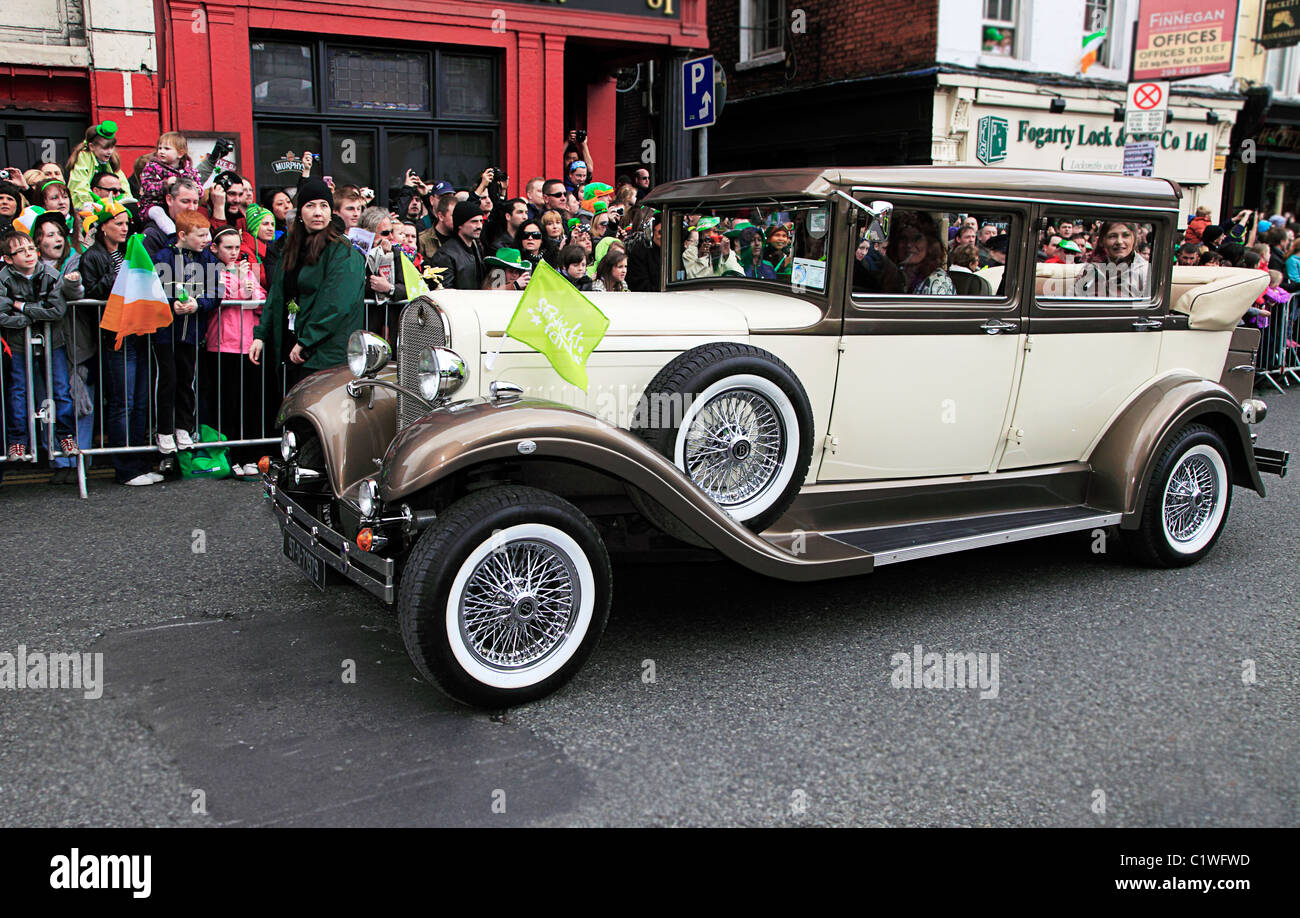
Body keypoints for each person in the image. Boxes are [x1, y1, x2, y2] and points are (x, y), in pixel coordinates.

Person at [250, 178, 366, 391]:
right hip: (294, 347)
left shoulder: (344, 252)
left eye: (323, 206)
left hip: (325, 355)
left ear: (331, 211)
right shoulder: (291, 247)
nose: (318, 212)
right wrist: (261, 335)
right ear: (300, 212)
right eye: (310, 205)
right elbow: (277, 294)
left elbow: (335, 303)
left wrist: (306, 340)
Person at [81, 202, 157, 484]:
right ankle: (125, 468)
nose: (125, 228)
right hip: (115, 337)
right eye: (118, 223)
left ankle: (138, 462)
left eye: (127, 223)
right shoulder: (93, 256)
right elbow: (91, 294)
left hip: (137, 333)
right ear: (103, 227)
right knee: (122, 403)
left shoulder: (128, 251)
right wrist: (119, 273)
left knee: (139, 402)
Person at [0, 228, 73, 463]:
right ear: (9, 259)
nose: (29, 254)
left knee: (60, 389)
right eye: (20, 251)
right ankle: (18, 442)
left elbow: (57, 311)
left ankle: (66, 436)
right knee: (18, 392)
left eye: (31, 248)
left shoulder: (51, 274)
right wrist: (26, 320)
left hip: (54, 341)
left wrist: (22, 308)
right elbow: (1, 314)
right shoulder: (3, 278)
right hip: (18, 344)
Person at [150, 209, 216, 454]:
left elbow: (216, 292)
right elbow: (153, 291)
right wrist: (170, 305)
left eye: (207, 233)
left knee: (187, 380)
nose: (206, 239)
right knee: (167, 380)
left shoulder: (207, 259)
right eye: (200, 235)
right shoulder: (163, 256)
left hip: (192, 332)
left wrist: (199, 304)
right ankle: (164, 430)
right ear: (182, 235)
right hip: (165, 333)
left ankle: (183, 427)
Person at [203, 225, 265, 476]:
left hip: (246, 343)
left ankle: (248, 456)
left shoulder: (247, 271)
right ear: (215, 248)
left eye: (237, 248)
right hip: (222, 344)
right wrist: (242, 288)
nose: (234, 252)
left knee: (248, 402)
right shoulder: (213, 270)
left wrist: (246, 291)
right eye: (228, 248)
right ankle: (230, 457)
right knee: (227, 403)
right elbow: (219, 296)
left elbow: (261, 298)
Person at [139, 132, 201, 236]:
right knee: (157, 212)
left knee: (195, 215)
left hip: (179, 208)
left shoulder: (189, 171)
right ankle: (172, 234)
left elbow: (199, 187)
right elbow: (146, 187)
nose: (161, 151)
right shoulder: (152, 167)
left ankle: (205, 237)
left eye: (167, 149)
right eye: (160, 148)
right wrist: (165, 184)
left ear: (180, 153)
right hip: (154, 204)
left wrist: (198, 190)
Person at [65, 121, 131, 211]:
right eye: (105, 148)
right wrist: (88, 203)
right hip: (81, 207)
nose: (110, 152)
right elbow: (80, 183)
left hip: (106, 205)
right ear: (91, 146)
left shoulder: (112, 159)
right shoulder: (83, 157)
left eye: (112, 147)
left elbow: (122, 182)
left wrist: (128, 202)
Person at [1074, 221, 1149, 298]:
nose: (1119, 241)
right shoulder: (1091, 268)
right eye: (1113, 236)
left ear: (1134, 239)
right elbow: (1073, 299)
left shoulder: (1145, 273)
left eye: (1126, 236)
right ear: (1102, 241)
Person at [887, 212, 954, 295]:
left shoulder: (937, 282)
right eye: (903, 238)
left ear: (929, 244)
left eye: (916, 239)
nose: (909, 245)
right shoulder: (896, 275)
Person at [429, 199, 486, 291]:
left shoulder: (476, 247)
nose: (479, 226)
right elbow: (444, 291)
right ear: (460, 224)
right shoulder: (445, 255)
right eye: (474, 221)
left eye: (480, 221)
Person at [143, 177, 201, 256]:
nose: (191, 207)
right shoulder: (153, 235)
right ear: (169, 200)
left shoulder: (201, 232)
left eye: (195, 202)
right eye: (185, 201)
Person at [625, 213, 661, 292]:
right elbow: (639, 285)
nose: (664, 236)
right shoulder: (639, 251)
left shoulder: (674, 251)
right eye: (661, 232)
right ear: (651, 232)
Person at [417, 192, 457, 262]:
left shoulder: (462, 238)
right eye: (453, 215)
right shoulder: (423, 240)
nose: (457, 219)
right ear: (441, 216)